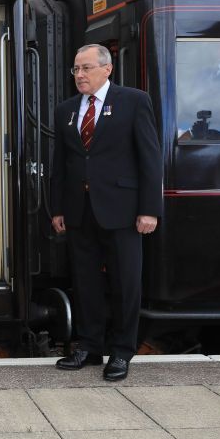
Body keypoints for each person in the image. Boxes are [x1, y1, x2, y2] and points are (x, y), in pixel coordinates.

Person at [50, 44, 162, 381]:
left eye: (85, 68)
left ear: (107, 69)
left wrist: (149, 210)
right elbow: (61, 164)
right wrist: (57, 208)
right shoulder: (66, 110)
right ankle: (89, 345)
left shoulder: (134, 101)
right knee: (85, 282)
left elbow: (150, 159)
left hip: (123, 211)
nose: (79, 75)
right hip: (79, 211)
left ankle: (122, 351)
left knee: (125, 282)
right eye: (75, 69)